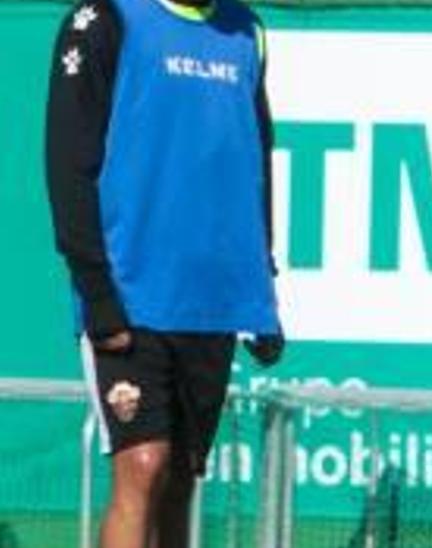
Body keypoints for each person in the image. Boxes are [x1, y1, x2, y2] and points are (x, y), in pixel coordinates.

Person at [44, 0, 283, 545]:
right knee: (144, 463)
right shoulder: (105, 19)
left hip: (213, 302)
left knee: (180, 480)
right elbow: (66, 165)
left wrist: (261, 289)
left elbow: (256, 163)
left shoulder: (247, 30)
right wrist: (97, 292)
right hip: (128, 296)